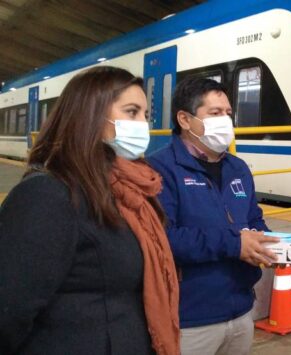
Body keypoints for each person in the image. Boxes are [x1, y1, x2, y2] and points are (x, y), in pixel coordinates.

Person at [0, 66, 179, 354]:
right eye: (132, 112)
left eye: (146, 115)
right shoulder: (48, 195)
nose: (143, 124)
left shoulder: (128, 192)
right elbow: (9, 310)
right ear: (90, 116)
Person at [147, 77, 279, 355]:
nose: (226, 121)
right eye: (215, 113)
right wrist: (235, 244)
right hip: (191, 319)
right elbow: (163, 239)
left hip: (241, 311)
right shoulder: (160, 169)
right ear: (185, 119)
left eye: (228, 113)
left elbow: (253, 219)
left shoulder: (238, 168)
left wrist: (271, 245)